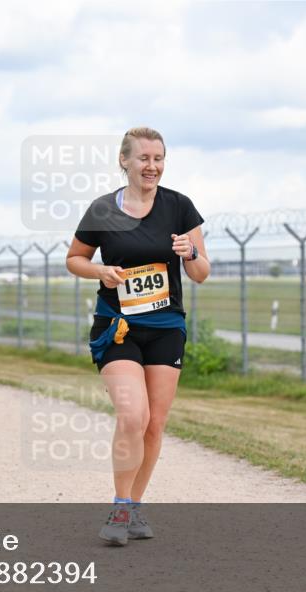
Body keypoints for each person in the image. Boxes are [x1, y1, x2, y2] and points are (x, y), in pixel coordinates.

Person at [65, 127, 208, 546]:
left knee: (154, 424)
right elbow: (74, 259)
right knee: (132, 416)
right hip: (118, 326)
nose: (152, 166)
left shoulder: (179, 207)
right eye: (144, 158)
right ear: (124, 161)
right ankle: (120, 505)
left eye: (158, 158)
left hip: (166, 328)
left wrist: (191, 253)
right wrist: (100, 270)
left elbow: (201, 273)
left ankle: (136, 505)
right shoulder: (101, 210)